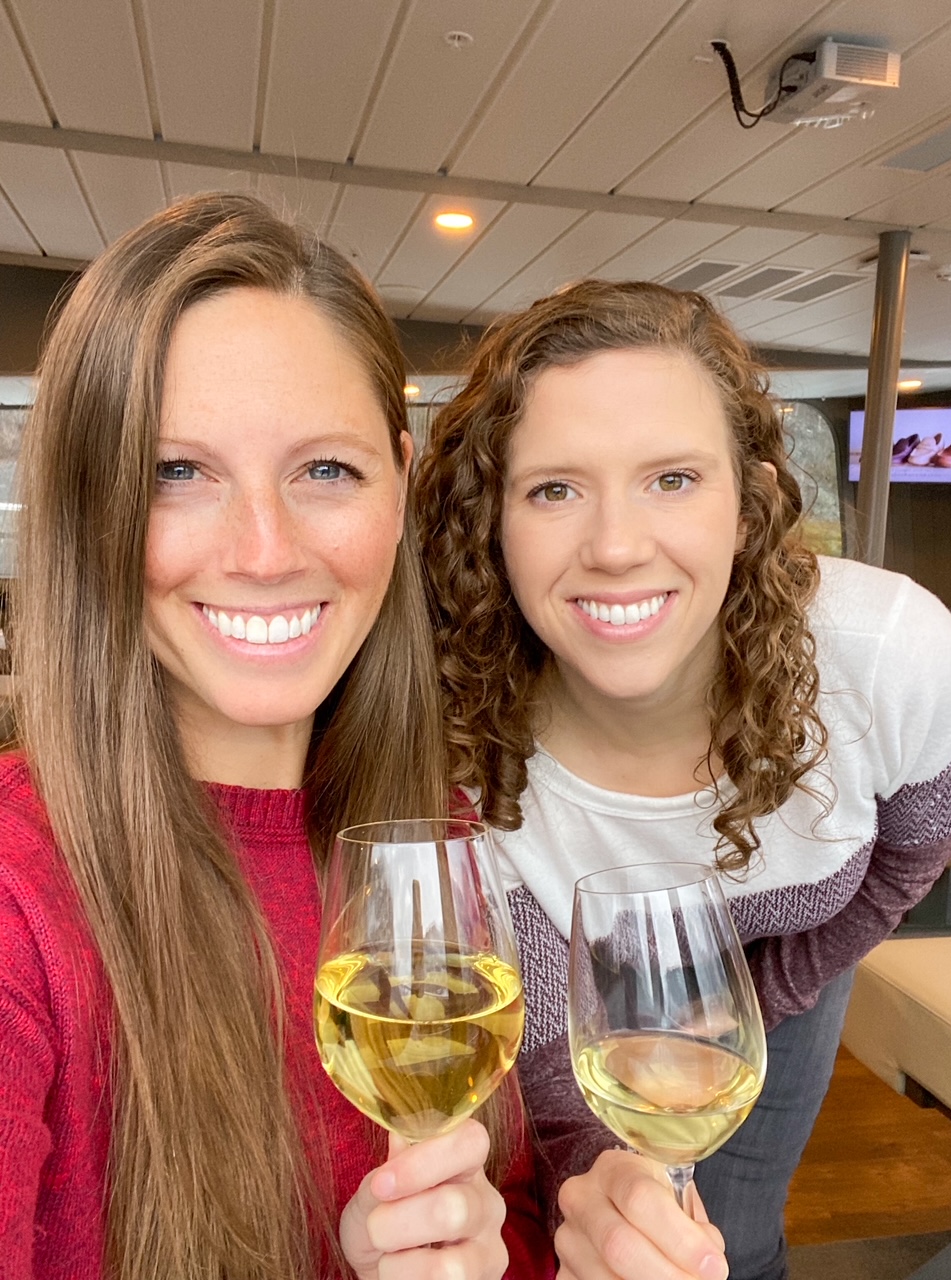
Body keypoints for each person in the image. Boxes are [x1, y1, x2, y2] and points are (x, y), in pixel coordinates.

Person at [0, 193, 555, 1280]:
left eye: (326, 469)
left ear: (400, 484)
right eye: (177, 472)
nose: (264, 550)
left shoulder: (428, 838)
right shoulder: (18, 899)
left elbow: (508, 1214)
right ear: (89, 504)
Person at [416, 278, 951, 1280]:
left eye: (672, 478)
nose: (618, 546)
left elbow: (907, 862)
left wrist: (768, 992)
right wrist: (615, 1194)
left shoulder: (891, 652)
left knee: (738, 1237)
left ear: (749, 498)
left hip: (787, 972)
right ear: (494, 520)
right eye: (554, 488)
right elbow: (565, 1106)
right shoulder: (458, 758)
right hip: (581, 1026)